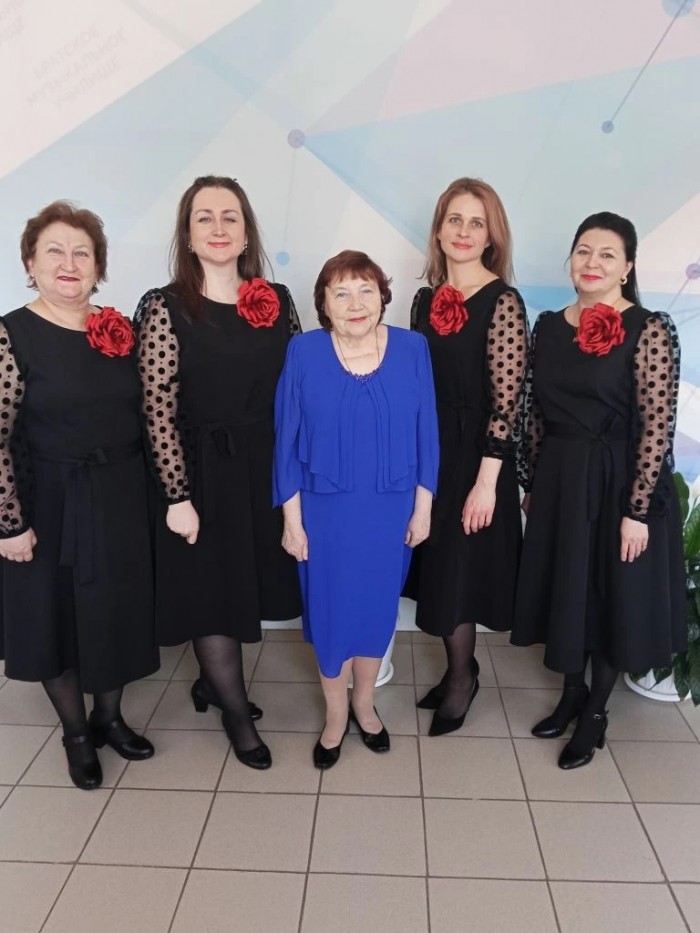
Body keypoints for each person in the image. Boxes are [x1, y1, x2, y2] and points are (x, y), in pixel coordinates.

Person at [134, 175, 302, 771]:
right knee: (210, 589)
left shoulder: (276, 299)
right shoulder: (165, 305)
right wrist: (177, 495)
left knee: (242, 581)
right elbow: (156, 406)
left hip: (262, 463)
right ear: (188, 233)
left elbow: (298, 389)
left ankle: (210, 684)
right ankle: (234, 711)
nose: (218, 227)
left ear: (247, 231)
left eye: (230, 216)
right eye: (204, 217)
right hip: (199, 470)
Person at [511, 211, 686, 769]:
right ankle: (572, 693)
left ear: (628, 266)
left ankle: (595, 713)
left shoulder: (649, 327)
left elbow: (657, 424)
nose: (592, 263)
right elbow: (533, 412)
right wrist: (532, 480)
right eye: (584, 251)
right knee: (568, 586)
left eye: (607, 254)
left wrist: (638, 509)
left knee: (611, 591)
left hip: (618, 480)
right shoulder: (547, 326)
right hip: (561, 478)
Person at [0, 201, 158, 789]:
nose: (69, 263)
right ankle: (76, 733)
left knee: (115, 612)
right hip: (48, 500)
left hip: (120, 496)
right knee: (56, 619)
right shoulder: (10, 334)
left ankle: (109, 718)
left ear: (98, 266)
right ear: (30, 263)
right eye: (55, 252)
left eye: (82, 253)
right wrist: (9, 522)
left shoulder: (118, 330)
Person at [274, 250, 438, 769]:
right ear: (323, 303)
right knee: (330, 616)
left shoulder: (413, 348)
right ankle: (336, 714)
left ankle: (365, 705)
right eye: (340, 293)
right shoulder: (303, 351)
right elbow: (285, 442)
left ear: (382, 296)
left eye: (366, 290)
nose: (355, 303)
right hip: (324, 515)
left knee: (375, 612)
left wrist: (423, 509)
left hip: (390, 512)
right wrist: (292, 522)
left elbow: (427, 434)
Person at [404, 178, 528, 736]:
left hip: (477, 458)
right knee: (436, 571)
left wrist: (486, 484)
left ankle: (462, 678)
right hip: (430, 450)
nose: (463, 231)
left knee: (459, 574)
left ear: (491, 236)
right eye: (454, 219)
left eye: (476, 222)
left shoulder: (503, 302)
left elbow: (507, 403)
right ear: (438, 230)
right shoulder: (424, 300)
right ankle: (459, 668)